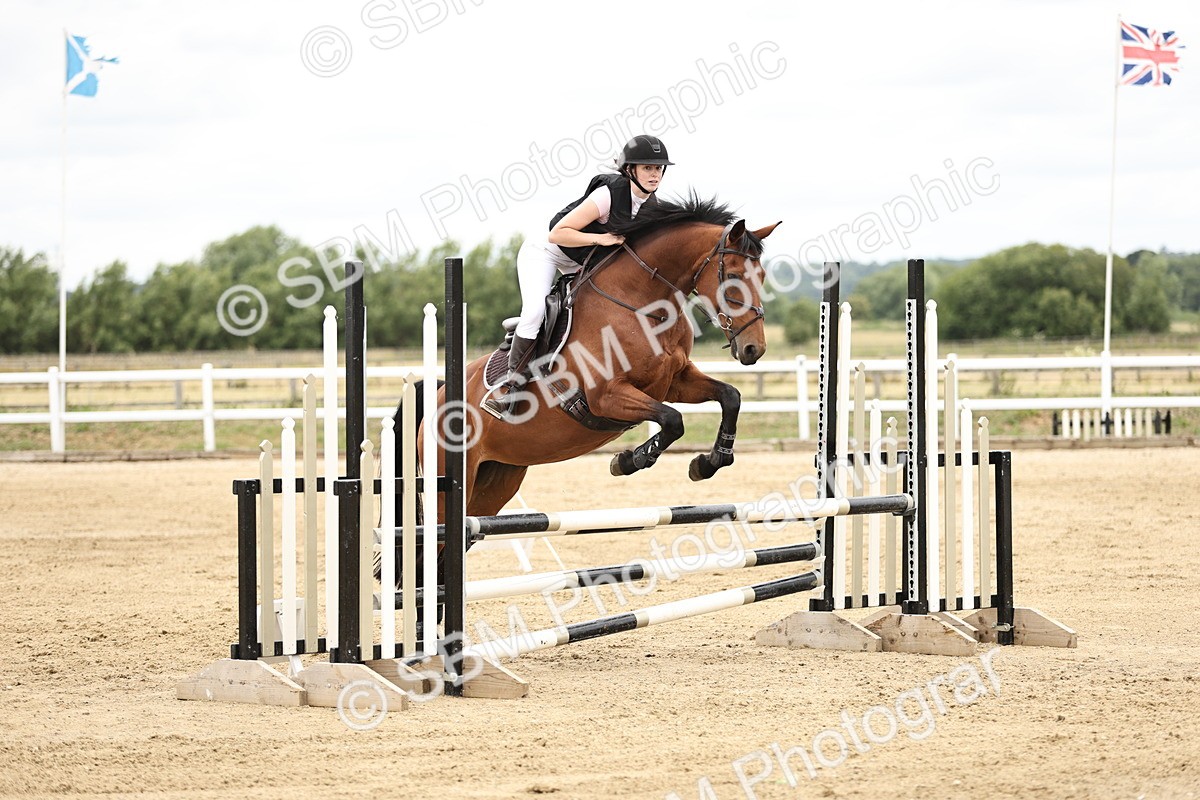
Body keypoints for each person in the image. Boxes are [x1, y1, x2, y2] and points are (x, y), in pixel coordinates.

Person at [484, 135, 675, 416]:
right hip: (546, 251)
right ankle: (512, 389)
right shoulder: (607, 194)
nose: (654, 174)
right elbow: (558, 233)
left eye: (658, 168)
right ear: (629, 170)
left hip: (582, 261)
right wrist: (602, 240)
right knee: (536, 310)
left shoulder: (652, 207)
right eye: (647, 168)